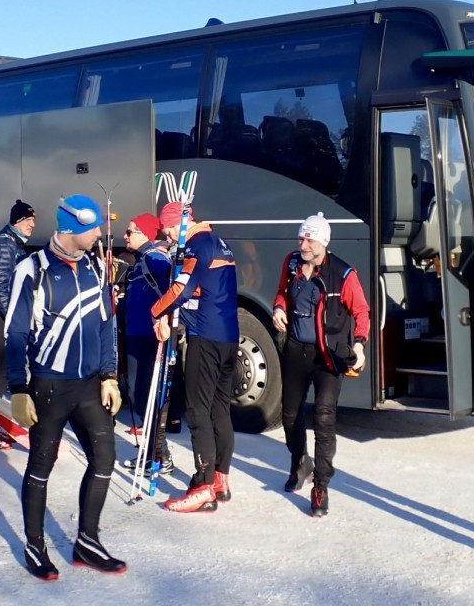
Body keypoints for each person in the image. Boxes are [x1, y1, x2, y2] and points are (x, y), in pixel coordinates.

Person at [4, 194, 125, 579]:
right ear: (71, 228)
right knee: (41, 466)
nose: (100, 234)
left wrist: (110, 376)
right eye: (92, 229)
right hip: (49, 386)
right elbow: (15, 332)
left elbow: (108, 325)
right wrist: (19, 388)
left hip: (89, 385)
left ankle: (87, 540)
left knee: (104, 458)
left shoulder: (95, 266)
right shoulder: (32, 268)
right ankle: (35, 545)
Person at [268, 212, 368, 518]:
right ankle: (300, 462)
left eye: (308, 239)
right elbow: (283, 292)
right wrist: (278, 308)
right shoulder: (292, 263)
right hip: (297, 350)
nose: (302, 244)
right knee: (289, 416)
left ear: (323, 242)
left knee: (324, 418)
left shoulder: (343, 273)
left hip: (329, 355)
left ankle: (321, 485)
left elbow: (362, 312)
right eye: (301, 238)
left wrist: (360, 346)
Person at [151, 202, 244, 513]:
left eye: (166, 228)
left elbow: (183, 289)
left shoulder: (197, 246)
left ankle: (203, 485)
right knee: (219, 409)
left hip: (206, 338)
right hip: (230, 336)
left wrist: (157, 312)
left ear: (177, 224)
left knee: (197, 410)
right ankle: (220, 479)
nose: (164, 233)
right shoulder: (219, 242)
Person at [118, 213, 177, 476]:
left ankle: (159, 455)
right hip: (135, 334)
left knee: (145, 394)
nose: (126, 236)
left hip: (148, 337)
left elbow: (173, 292)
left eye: (131, 231)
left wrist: (164, 319)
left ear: (144, 233)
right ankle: (154, 452)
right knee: (137, 393)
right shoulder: (142, 259)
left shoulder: (154, 258)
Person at [0, 201, 35, 411]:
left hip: (0, 310)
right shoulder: (5, 244)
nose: (33, 225)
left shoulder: (14, 242)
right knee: (4, 365)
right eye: (29, 220)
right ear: (18, 221)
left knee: (3, 364)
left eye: (34, 221)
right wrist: (11, 314)